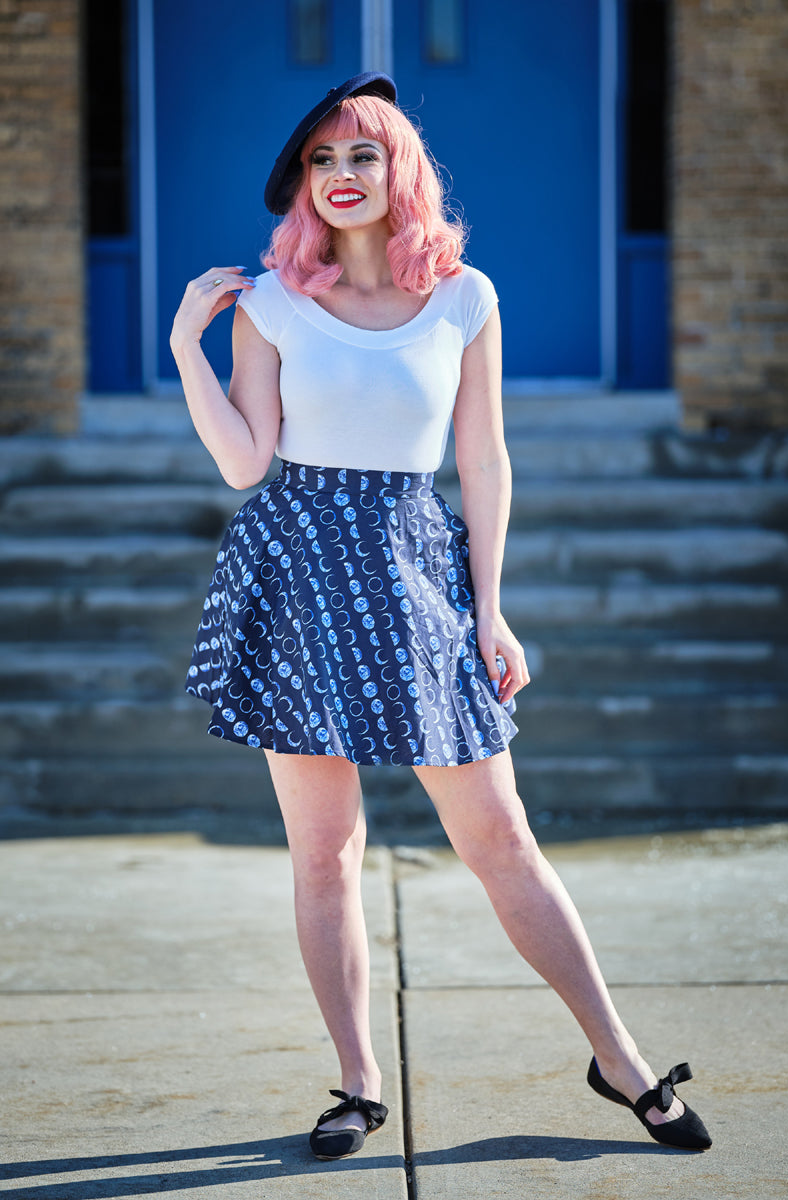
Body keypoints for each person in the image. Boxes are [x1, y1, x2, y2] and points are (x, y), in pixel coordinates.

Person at [170, 72, 711, 1162]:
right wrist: (190, 342)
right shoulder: (272, 305)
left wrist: (492, 609)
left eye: (359, 156)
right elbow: (242, 465)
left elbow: (482, 457)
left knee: (500, 838)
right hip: (298, 574)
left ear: (399, 169)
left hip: (419, 569)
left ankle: (621, 1062)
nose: (338, 177)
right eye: (320, 162)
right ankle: (358, 1083)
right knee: (324, 853)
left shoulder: (464, 296)